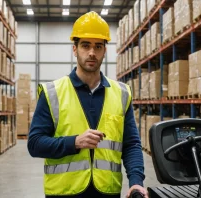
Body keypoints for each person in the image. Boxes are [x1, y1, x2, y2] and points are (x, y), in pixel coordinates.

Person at [27, 11, 148, 198]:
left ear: (104, 51)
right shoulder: (53, 92)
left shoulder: (121, 94)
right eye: (85, 45)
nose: (92, 52)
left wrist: (136, 182)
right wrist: (74, 142)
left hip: (107, 192)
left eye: (98, 46)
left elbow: (131, 144)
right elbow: (35, 144)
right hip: (64, 193)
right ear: (74, 49)